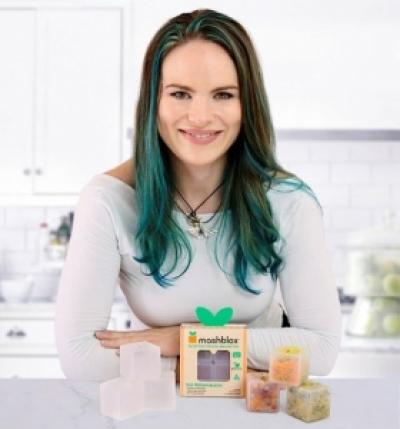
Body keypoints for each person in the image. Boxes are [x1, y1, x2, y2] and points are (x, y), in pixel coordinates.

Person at [55, 8, 342, 382]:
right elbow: (80, 358)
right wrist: (232, 360)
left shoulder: (290, 202)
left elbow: (320, 350)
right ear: (154, 103)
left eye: (223, 94)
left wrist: (184, 341)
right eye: (180, 94)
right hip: (162, 408)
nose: (200, 116)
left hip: (260, 408)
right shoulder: (107, 201)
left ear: (247, 105)